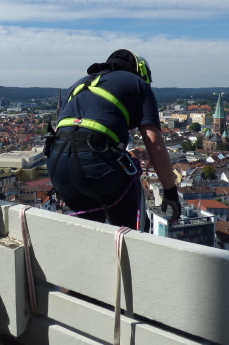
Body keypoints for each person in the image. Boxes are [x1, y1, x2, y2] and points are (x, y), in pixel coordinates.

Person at [46, 49, 181, 231]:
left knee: (91, 228)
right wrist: (170, 191)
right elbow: (154, 142)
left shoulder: (78, 85)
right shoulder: (138, 83)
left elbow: (62, 130)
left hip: (57, 164)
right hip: (95, 162)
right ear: (141, 72)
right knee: (131, 230)